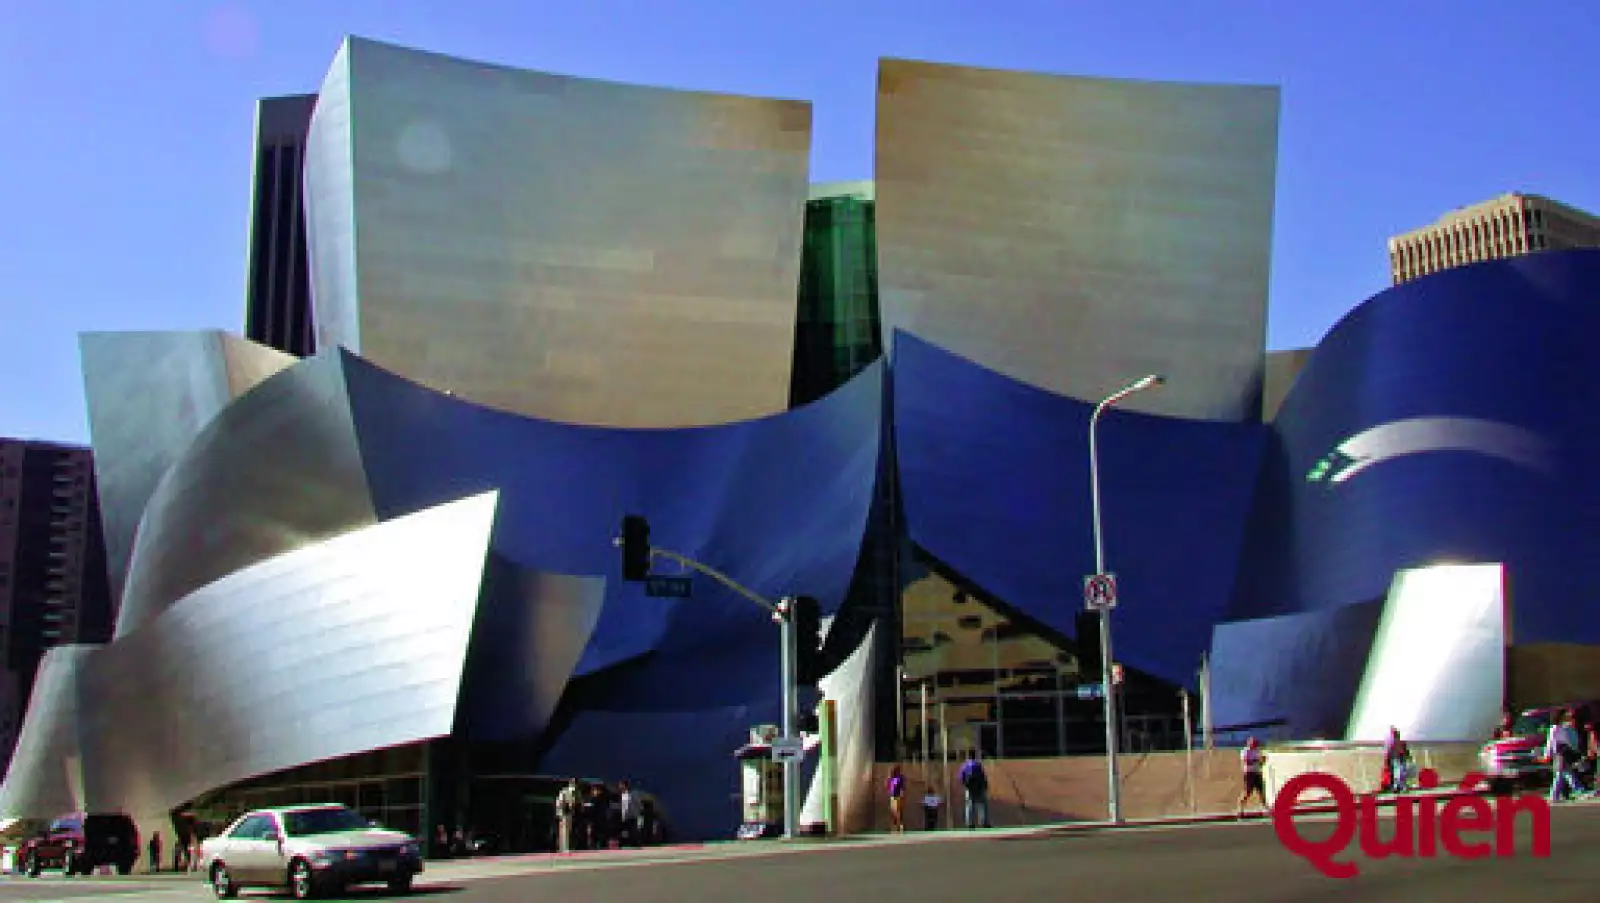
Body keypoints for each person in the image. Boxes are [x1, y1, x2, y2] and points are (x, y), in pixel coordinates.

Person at [1545, 709, 1581, 803]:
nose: (1567, 716)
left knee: (1560, 774)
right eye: (1565, 715)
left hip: (1565, 750)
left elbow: (1568, 740)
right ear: (1560, 716)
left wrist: (1573, 748)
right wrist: (1548, 753)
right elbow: (1551, 742)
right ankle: (1578, 789)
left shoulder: (1565, 727)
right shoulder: (1555, 728)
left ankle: (1554, 796)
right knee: (1565, 772)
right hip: (1559, 751)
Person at [957, 751, 990, 829]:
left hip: (969, 788)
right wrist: (985, 786)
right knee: (982, 804)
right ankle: (983, 822)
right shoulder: (977, 765)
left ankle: (970, 824)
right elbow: (982, 776)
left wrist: (966, 785)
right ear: (974, 756)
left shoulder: (964, 765)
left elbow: (961, 777)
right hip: (979, 788)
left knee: (969, 806)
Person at [1237, 736, 1268, 818]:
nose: (1254, 744)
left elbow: (1261, 762)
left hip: (1257, 772)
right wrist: (1256, 761)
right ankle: (1240, 809)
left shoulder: (1257, 751)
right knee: (1247, 791)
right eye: (1252, 743)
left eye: (1255, 743)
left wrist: (1263, 760)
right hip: (1249, 773)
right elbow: (1246, 761)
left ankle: (1264, 808)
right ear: (1249, 743)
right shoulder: (1245, 751)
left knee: (1261, 791)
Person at [1383, 727, 1411, 792]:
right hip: (1397, 759)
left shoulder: (1398, 742)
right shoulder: (1392, 742)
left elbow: (1405, 751)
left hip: (1399, 759)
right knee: (1398, 774)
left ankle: (1399, 787)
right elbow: (1388, 751)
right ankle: (1398, 787)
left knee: (1400, 774)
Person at [555, 780, 579, 853]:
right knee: (564, 830)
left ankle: (565, 847)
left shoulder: (575, 792)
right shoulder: (564, 792)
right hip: (563, 813)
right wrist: (561, 813)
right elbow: (559, 803)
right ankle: (563, 848)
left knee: (568, 830)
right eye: (573, 784)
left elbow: (574, 802)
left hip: (569, 813)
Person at [885, 765, 906, 832]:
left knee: (898, 811)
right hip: (893, 796)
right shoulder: (891, 778)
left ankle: (899, 826)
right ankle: (896, 826)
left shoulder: (900, 777)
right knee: (894, 811)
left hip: (897, 796)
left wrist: (902, 795)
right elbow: (888, 786)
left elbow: (902, 787)